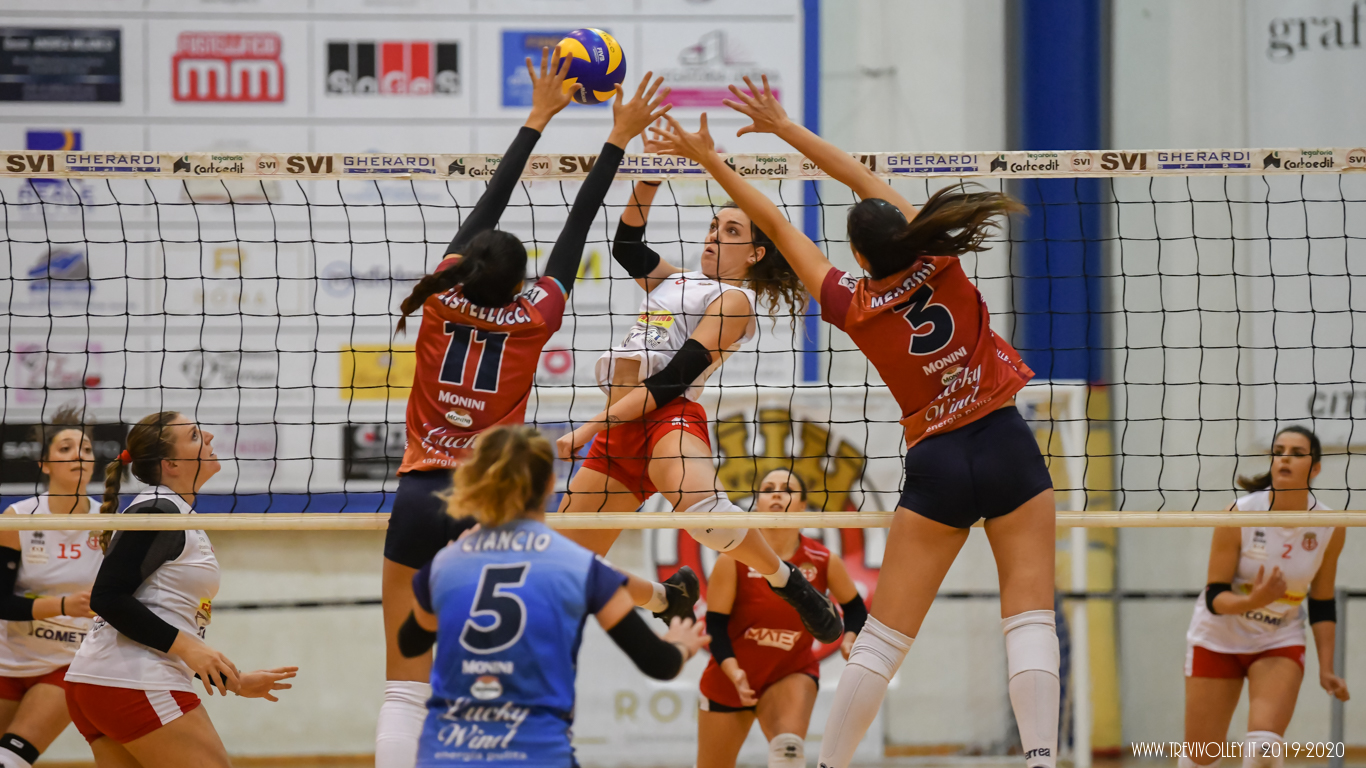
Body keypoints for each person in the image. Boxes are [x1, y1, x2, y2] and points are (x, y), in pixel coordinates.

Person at [649, 76, 1058, 768]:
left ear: (860, 259)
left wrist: (711, 160)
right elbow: (861, 177)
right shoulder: (943, 259)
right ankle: (1044, 756)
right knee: (1028, 615)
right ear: (912, 233)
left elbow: (776, 226)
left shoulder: (851, 301)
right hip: (1004, 442)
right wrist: (786, 128)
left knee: (884, 639)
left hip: (935, 464)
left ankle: (833, 764)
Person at [377, 50, 675, 768]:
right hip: (488, 507)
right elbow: (576, 232)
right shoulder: (533, 318)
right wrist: (616, 138)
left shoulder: (438, 298)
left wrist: (536, 118)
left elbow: (489, 208)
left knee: (402, 685)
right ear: (518, 283)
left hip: (420, 497)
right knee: (497, 679)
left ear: (464, 265)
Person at [553, 126, 843, 646]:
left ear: (756, 254)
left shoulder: (735, 302)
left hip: (666, 417)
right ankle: (665, 599)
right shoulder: (679, 279)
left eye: (731, 232)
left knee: (702, 512)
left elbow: (669, 383)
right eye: (714, 226)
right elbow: (625, 245)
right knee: (563, 569)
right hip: (620, 428)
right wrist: (652, 173)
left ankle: (787, 581)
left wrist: (587, 428)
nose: (714, 236)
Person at [397, 425, 709, 768]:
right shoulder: (581, 566)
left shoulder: (446, 564)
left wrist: (447, 572)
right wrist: (682, 644)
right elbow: (659, 664)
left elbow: (410, 644)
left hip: (445, 755)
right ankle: (665, 598)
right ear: (549, 485)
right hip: (536, 754)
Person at [63, 412, 297, 768]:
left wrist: (234, 681)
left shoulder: (173, 511)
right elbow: (107, 597)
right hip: (133, 681)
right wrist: (190, 648)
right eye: (193, 436)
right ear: (170, 463)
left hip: (102, 682)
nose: (209, 436)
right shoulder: (159, 509)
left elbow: (164, 612)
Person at [1183, 426, 1348, 768]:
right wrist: (1251, 601)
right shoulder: (1240, 513)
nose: (1284, 457)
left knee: (1264, 753)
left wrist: (1328, 668)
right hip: (1219, 637)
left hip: (1278, 638)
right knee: (1200, 758)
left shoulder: (1331, 524)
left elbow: (1322, 601)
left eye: (1297, 452)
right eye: (1278, 450)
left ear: (1315, 468)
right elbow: (1215, 595)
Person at [698, 469, 866, 768]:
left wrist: (850, 638)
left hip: (790, 671)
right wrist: (733, 670)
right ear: (757, 503)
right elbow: (715, 626)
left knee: (788, 754)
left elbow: (855, 610)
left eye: (787, 489)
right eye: (768, 488)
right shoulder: (732, 559)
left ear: (803, 506)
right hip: (731, 674)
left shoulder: (824, 560)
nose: (776, 493)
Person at [0, 406, 102, 768]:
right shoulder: (17, 518)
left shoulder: (111, 521)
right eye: (66, 449)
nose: (79, 456)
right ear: (44, 463)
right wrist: (62, 605)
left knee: (12, 758)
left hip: (66, 663)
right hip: (7, 658)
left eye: (87, 450)